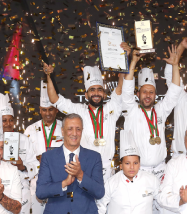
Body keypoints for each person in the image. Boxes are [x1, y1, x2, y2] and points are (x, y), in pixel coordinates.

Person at [42, 42, 131, 181]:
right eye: (92, 90)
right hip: (84, 168)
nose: (96, 93)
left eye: (99, 89)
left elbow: (120, 85)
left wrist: (124, 58)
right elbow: (54, 99)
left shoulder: (111, 108)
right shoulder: (79, 110)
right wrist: (48, 76)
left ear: (104, 94)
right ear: (86, 94)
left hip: (107, 169)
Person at [121, 45, 181, 214]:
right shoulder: (130, 109)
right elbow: (126, 89)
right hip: (138, 172)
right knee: (140, 213)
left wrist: (175, 66)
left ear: (155, 94)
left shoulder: (161, 111)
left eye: (151, 92)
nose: (148, 95)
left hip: (161, 171)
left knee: (163, 212)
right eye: (144, 92)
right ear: (139, 93)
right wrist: (134, 62)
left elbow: (174, 92)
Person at [24, 81, 64, 214]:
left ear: (56, 110)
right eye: (44, 109)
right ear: (39, 110)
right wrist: (37, 159)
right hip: (36, 183)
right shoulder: (30, 131)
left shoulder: (65, 128)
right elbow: (25, 158)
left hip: (59, 182)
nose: (47, 113)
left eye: (51, 109)